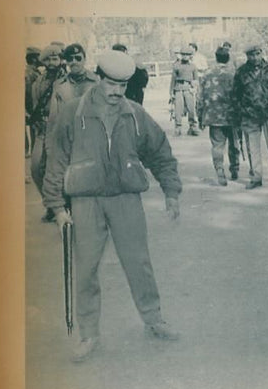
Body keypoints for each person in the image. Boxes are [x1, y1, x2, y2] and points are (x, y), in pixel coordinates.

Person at [42, 50, 182, 363]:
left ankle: (153, 318)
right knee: (87, 268)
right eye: (111, 84)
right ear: (98, 78)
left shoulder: (134, 114)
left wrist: (171, 191)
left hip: (125, 199)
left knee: (138, 262)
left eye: (123, 85)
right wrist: (56, 206)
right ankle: (89, 333)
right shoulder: (74, 113)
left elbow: (160, 152)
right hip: (85, 201)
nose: (117, 92)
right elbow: (57, 160)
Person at [232, 43, 268, 189]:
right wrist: (238, 114)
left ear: (262, 53)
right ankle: (256, 177)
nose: (255, 57)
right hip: (250, 115)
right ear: (247, 56)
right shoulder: (241, 72)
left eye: (257, 54)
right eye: (251, 55)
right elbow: (235, 95)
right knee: (253, 148)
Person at [197, 47, 243, 186]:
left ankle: (219, 170)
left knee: (217, 145)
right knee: (234, 144)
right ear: (228, 57)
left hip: (214, 116)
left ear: (215, 57)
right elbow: (240, 95)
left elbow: (200, 97)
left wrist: (200, 117)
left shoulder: (207, 74)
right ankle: (234, 169)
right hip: (232, 115)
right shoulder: (234, 73)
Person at [30, 43, 66, 221]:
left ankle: (61, 205)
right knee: (36, 168)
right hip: (42, 129)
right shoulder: (39, 81)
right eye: (49, 59)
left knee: (59, 169)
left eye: (56, 58)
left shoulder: (66, 80)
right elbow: (35, 104)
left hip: (59, 129)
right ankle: (50, 204)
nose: (52, 62)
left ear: (61, 60)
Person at [170, 44, 200, 136]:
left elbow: (196, 79)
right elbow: (173, 80)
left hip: (189, 89)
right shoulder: (176, 66)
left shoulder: (193, 66)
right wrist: (171, 92)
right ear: (181, 55)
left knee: (191, 109)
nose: (185, 56)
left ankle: (193, 127)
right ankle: (178, 127)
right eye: (183, 54)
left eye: (187, 54)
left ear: (191, 55)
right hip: (179, 88)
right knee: (178, 110)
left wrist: (195, 89)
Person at [25, 46, 42, 158]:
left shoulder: (35, 72)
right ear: (35, 59)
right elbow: (27, 93)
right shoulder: (29, 74)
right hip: (32, 108)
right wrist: (27, 110)